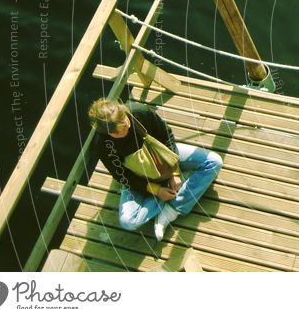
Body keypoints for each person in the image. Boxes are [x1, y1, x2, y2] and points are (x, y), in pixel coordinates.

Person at [88, 98, 222, 240]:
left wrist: (174, 172)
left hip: (163, 157)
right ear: (108, 133)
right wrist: (156, 190)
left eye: (126, 124)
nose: (126, 130)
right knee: (128, 221)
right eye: (119, 132)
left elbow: (166, 135)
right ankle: (178, 187)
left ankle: (171, 210)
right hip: (141, 176)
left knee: (214, 161)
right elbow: (122, 177)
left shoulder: (139, 112)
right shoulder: (102, 145)